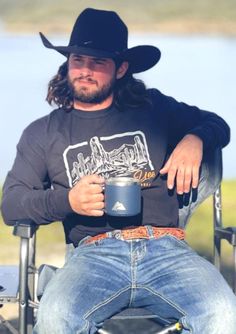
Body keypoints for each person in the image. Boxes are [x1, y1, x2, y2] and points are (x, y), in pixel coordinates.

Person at [1, 7, 236, 334]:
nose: (85, 71)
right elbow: (12, 204)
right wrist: (68, 201)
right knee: (55, 318)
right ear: (67, 63)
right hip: (92, 256)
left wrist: (195, 138)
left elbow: (218, 124)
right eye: (78, 60)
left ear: (121, 68)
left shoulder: (154, 109)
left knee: (224, 313)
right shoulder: (43, 133)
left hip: (166, 250)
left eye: (98, 63)